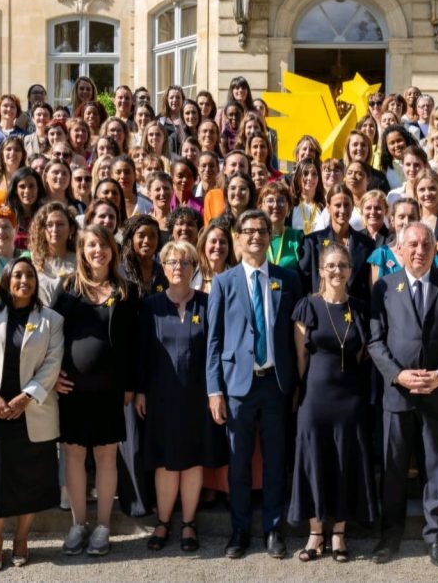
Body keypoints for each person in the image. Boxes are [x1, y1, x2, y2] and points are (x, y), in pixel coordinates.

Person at [368, 222, 438, 569]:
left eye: (426, 244)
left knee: (437, 468)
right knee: (394, 467)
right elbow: (375, 340)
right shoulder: (384, 286)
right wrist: (398, 374)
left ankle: (435, 535)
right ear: (399, 249)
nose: (419, 250)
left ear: (435, 248)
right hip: (397, 395)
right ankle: (390, 534)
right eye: (412, 244)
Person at [207, 209, 301, 559]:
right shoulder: (223, 282)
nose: (255, 237)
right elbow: (214, 341)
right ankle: (239, 531)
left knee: (276, 460)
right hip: (237, 388)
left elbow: (295, 337)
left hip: (275, 385)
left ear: (270, 236)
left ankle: (274, 529)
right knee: (239, 462)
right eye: (247, 231)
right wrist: (214, 390)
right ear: (238, 238)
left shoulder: (287, 280)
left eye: (261, 230)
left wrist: (297, 385)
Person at [0, 257, 63, 571]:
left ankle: (21, 538)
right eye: (18, 275)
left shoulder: (51, 320)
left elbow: (52, 364)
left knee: (31, 478)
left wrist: (27, 397)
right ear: (7, 280)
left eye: (30, 276)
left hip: (32, 411)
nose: (24, 281)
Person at [52, 225, 139, 557]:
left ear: (111, 251)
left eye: (103, 245)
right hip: (71, 389)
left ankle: (102, 526)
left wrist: (131, 383)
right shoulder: (68, 288)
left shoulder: (125, 289)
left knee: (105, 457)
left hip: (110, 391)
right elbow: (50, 335)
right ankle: (78, 524)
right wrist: (52, 375)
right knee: (73, 455)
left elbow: (132, 343)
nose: (97, 251)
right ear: (82, 251)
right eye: (91, 245)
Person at [136, 241, 228, 552]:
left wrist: (217, 393)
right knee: (165, 461)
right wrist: (139, 391)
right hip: (160, 397)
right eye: (173, 261)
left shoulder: (207, 303)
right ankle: (163, 523)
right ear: (163, 267)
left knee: (192, 460)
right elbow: (143, 355)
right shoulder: (150, 306)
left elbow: (216, 350)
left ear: (194, 268)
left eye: (186, 262)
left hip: (198, 397)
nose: (179, 267)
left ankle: (188, 524)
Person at [289, 244, 377, 562]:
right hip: (314, 396)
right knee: (314, 459)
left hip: (350, 397)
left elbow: (362, 353)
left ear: (351, 271)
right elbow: (300, 356)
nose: (336, 271)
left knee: (344, 459)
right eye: (330, 266)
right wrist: (304, 392)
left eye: (342, 266)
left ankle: (338, 532)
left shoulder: (361, 308)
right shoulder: (307, 307)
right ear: (321, 271)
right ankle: (315, 532)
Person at [300, 185, 376, 302]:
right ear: (328, 207)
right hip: (321, 312)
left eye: (346, 205)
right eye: (337, 205)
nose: (342, 210)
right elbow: (304, 283)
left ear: (352, 207)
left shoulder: (367, 244)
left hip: (356, 314)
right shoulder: (312, 242)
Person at [28, 202, 77, 305]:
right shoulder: (31, 260)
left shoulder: (80, 261)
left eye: (60, 224)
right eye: (49, 225)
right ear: (42, 230)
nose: (54, 230)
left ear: (71, 229)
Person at [120, 215, 169, 296]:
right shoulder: (120, 272)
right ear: (131, 239)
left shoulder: (163, 271)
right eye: (141, 235)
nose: (147, 241)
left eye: (152, 236)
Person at [260, 183, 302, 271]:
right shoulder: (256, 237)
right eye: (270, 200)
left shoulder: (298, 237)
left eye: (281, 200)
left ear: (289, 208)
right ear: (261, 207)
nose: (275, 205)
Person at [6, 167, 47, 252]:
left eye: (31, 186)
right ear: (15, 190)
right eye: (22, 186)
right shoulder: (6, 216)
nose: (27, 191)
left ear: (38, 188)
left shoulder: (46, 215)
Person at [192, 218, 236, 293]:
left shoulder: (237, 278)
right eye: (213, 241)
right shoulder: (190, 274)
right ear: (204, 245)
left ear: (229, 247)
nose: (218, 246)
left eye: (222, 242)